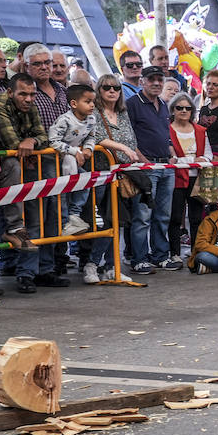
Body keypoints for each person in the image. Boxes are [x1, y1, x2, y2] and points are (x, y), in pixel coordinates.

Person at [0, 73, 68, 292]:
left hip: (33, 163)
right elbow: (12, 144)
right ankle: (26, 273)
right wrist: (28, 144)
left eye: (32, 94)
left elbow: (42, 137)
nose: (28, 98)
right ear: (10, 92)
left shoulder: (30, 104)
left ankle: (45, 269)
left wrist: (31, 141)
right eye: (23, 93)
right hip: (3, 165)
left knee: (50, 215)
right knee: (32, 218)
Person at [124, 65, 180, 273]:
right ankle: (139, 258)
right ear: (142, 82)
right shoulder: (132, 104)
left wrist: (172, 155)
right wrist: (143, 161)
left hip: (165, 165)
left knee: (163, 215)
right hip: (146, 167)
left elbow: (165, 135)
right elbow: (128, 137)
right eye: (151, 79)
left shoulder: (163, 105)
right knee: (142, 216)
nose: (156, 82)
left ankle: (160, 255)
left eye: (160, 79)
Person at [89, 73, 140, 283]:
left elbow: (132, 139)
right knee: (103, 223)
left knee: (117, 222)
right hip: (100, 176)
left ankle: (111, 266)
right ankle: (91, 264)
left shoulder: (123, 113)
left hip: (121, 176)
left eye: (116, 88)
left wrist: (132, 155)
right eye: (107, 87)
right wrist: (123, 148)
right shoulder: (95, 112)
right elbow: (96, 137)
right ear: (99, 90)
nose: (112, 91)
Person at [47, 81, 99, 236]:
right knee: (62, 191)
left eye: (93, 102)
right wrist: (73, 151)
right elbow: (53, 140)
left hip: (75, 159)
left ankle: (74, 214)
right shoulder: (65, 120)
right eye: (88, 102)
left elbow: (91, 137)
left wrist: (89, 148)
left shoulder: (91, 119)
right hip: (58, 160)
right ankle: (64, 223)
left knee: (85, 181)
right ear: (74, 104)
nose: (92, 105)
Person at [167, 91, 210, 261]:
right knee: (175, 217)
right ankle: (175, 253)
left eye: (187, 108)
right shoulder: (167, 130)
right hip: (176, 178)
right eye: (179, 108)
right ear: (173, 110)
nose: (184, 111)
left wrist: (198, 159)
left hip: (197, 178)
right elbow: (172, 159)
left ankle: (196, 252)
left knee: (196, 218)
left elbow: (208, 154)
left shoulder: (200, 130)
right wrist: (193, 159)